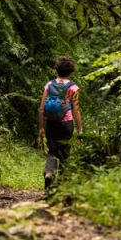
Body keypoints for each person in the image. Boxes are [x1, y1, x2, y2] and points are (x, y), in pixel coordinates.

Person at [38, 56, 83, 190]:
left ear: (57, 70)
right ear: (71, 71)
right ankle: (62, 185)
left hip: (51, 122)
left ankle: (49, 172)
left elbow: (41, 109)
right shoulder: (73, 87)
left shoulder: (49, 85)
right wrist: (80, 130)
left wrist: (41, 128)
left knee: (52, 151)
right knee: (65, 152)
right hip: (66, 123)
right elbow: (76, 109)